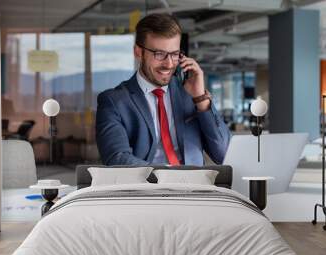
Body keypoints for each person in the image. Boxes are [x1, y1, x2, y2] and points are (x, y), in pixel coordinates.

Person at [96, 13, 231, 166]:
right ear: (138, 52)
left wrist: (201, 98)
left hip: (195, 186)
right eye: (159, 54)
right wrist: (168, 177)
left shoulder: (189, 93)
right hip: (147, 186)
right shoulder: (114, 102)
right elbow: (117, 159)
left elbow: (224, 155)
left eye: (174, 54)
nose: (168, 64)